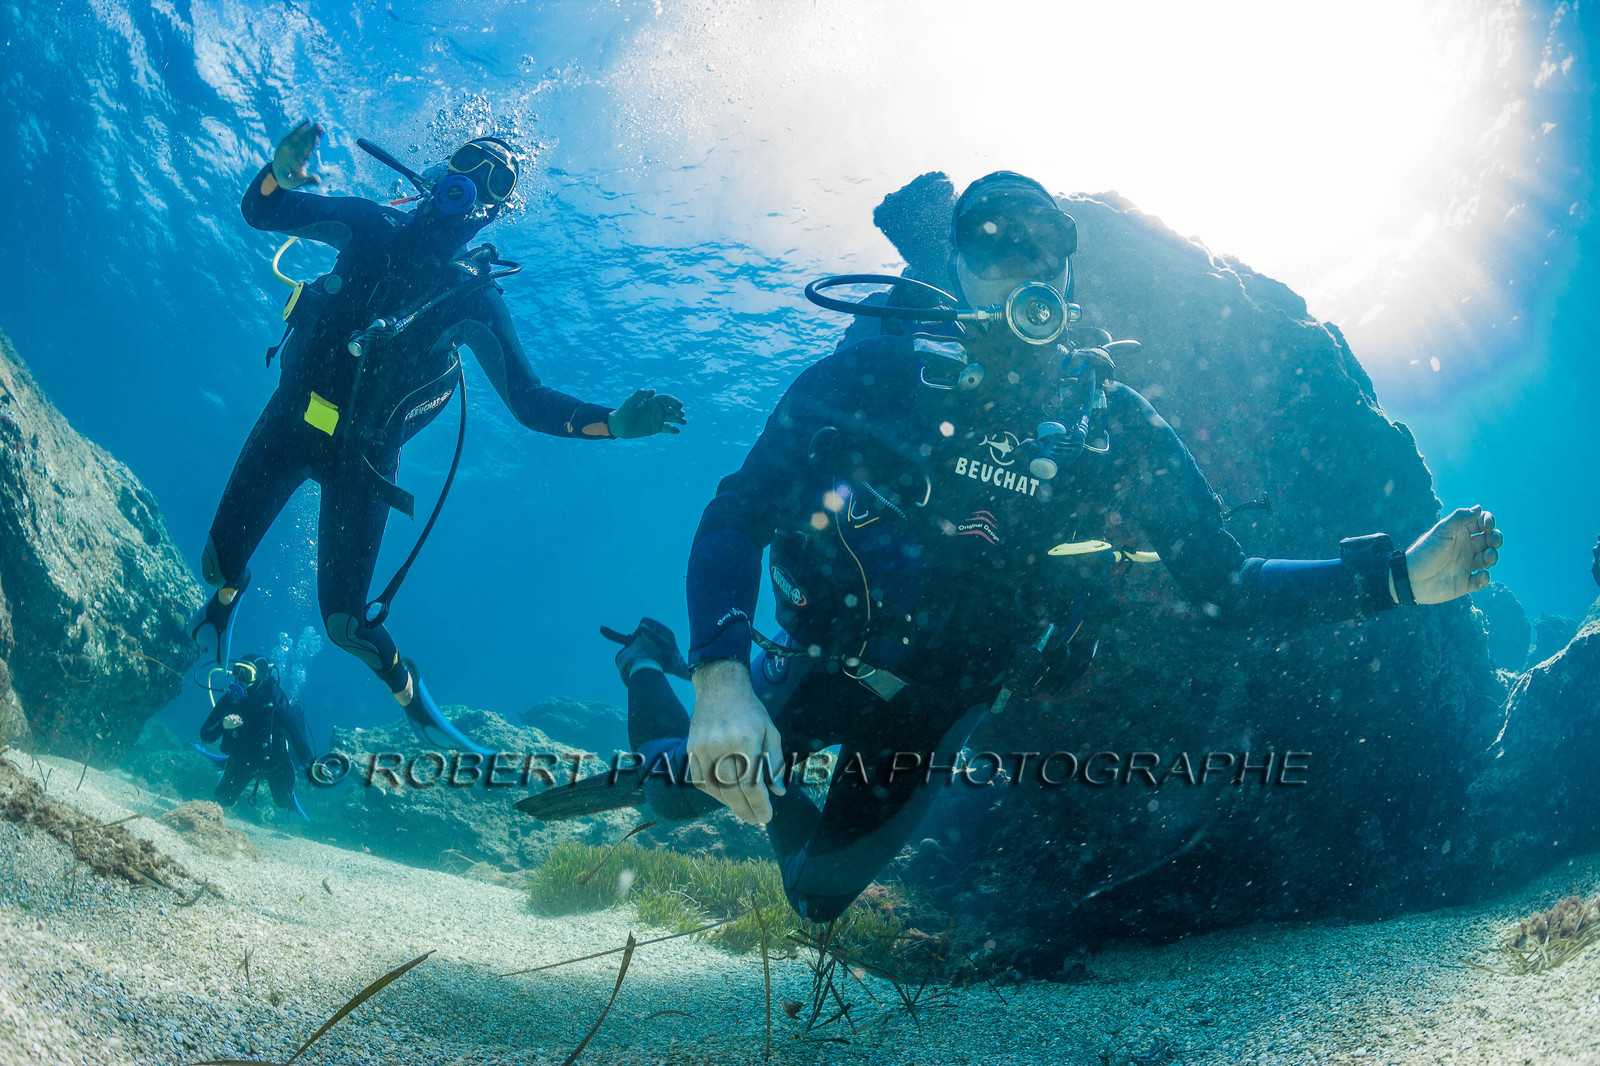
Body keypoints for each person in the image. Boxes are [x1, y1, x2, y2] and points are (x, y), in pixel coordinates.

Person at [524, 171, 1505, 924]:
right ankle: (648, 661)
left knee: (817, 898)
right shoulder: (867, 373)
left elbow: (1225, 586)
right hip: (817, 663)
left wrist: (1395, 578)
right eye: (995, 250)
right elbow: (737, 512)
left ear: (1072, 273)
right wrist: (722, 682)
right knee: (677, 796)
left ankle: (747, 764)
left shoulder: (1111, 422)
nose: (1027, 270)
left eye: (1047, 251)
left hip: (942, 706)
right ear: (952, 266)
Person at [190, 121, 686, 755]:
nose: (474, 183)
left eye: (496, 182)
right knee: (216, 564)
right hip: (291, 423)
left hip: (363, 462)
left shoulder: (472, 298)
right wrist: (276, 174)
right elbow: (262, 211)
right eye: (469, 162)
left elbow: (529, 402)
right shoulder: (369, 225)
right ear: (439, 170)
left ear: (496, 211)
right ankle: (224, 604)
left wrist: (613, 424)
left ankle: (415, 705)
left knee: (346, 627)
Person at [197, 656, 316, 816]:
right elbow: (206, 734)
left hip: (275, 761)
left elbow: (296, 735)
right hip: (242, 759)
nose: (240, 679)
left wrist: (309, 763)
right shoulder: (230, 701)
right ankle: (225, 768)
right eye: (237, 671)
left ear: (260, 677)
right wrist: (223, 725)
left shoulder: (273, 705)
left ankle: (290, 797)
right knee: (222, 799)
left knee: (283, 802)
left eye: (247, 674)